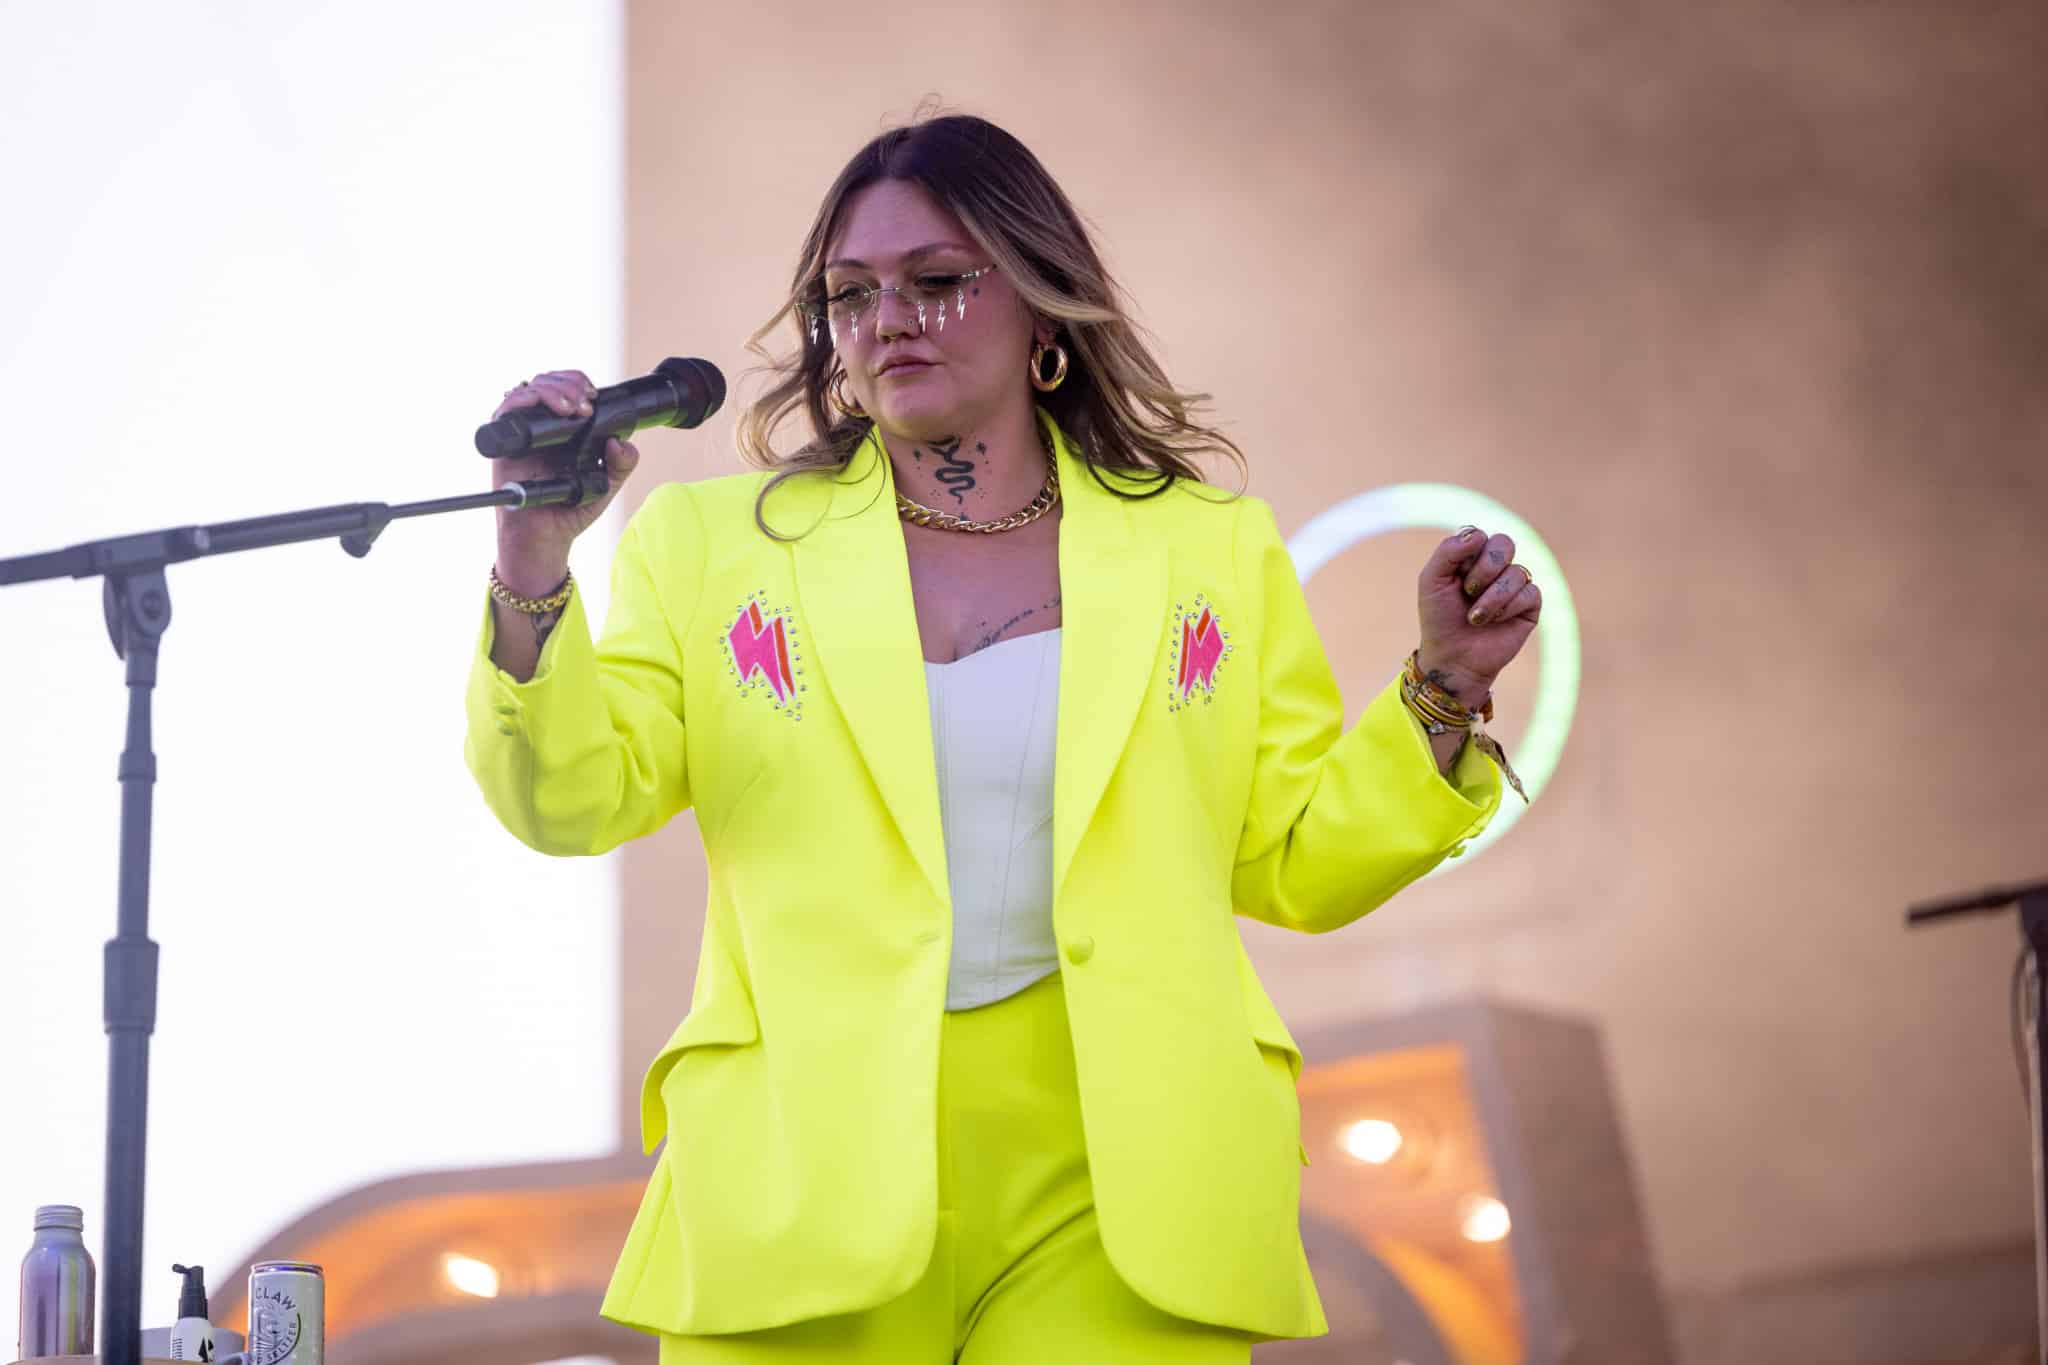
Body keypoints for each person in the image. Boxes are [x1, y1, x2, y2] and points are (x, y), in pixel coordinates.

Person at [465, 113, 1538, 1364]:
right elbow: (573, 802)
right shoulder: (710, 545)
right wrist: (533, 561)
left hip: (1123, 1182)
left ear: (1039, 306)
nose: (886, 320)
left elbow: (1290, 859)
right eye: (848, 295)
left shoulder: (1206, 548)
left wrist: (1442, 691)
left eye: (935, 281)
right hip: (801, 1182)